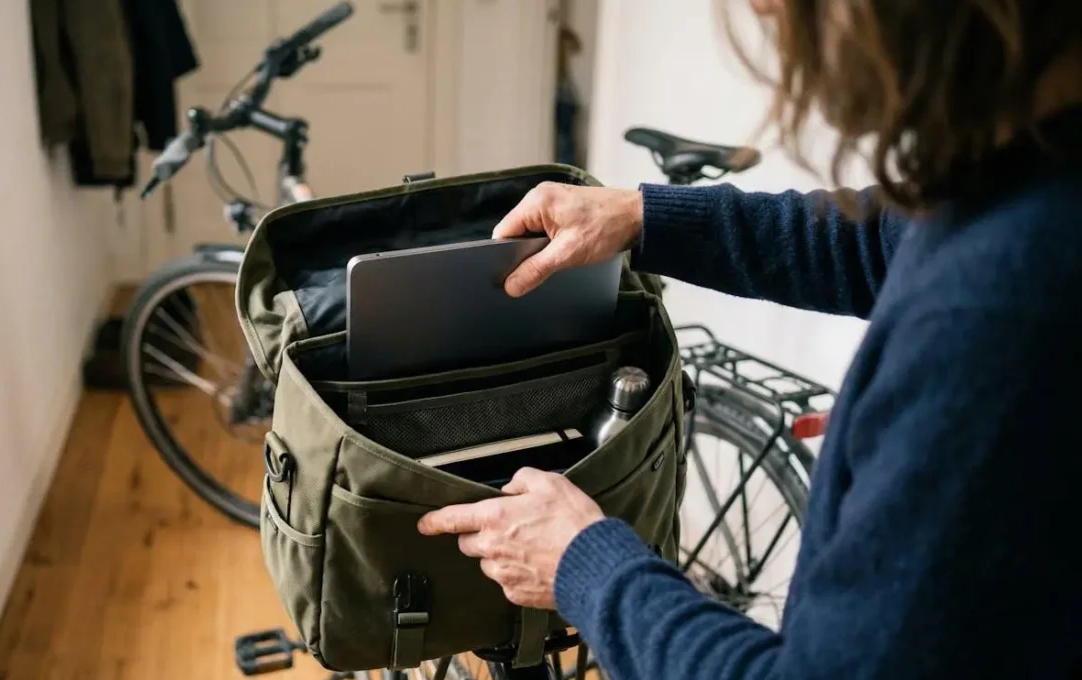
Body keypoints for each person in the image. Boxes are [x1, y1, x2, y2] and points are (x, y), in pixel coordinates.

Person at [416, 0, 1082, 677]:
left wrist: (582, 563)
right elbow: (883, 238)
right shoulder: (1028, 176)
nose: (762, 5)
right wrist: (641, 216)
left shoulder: (997, 313)